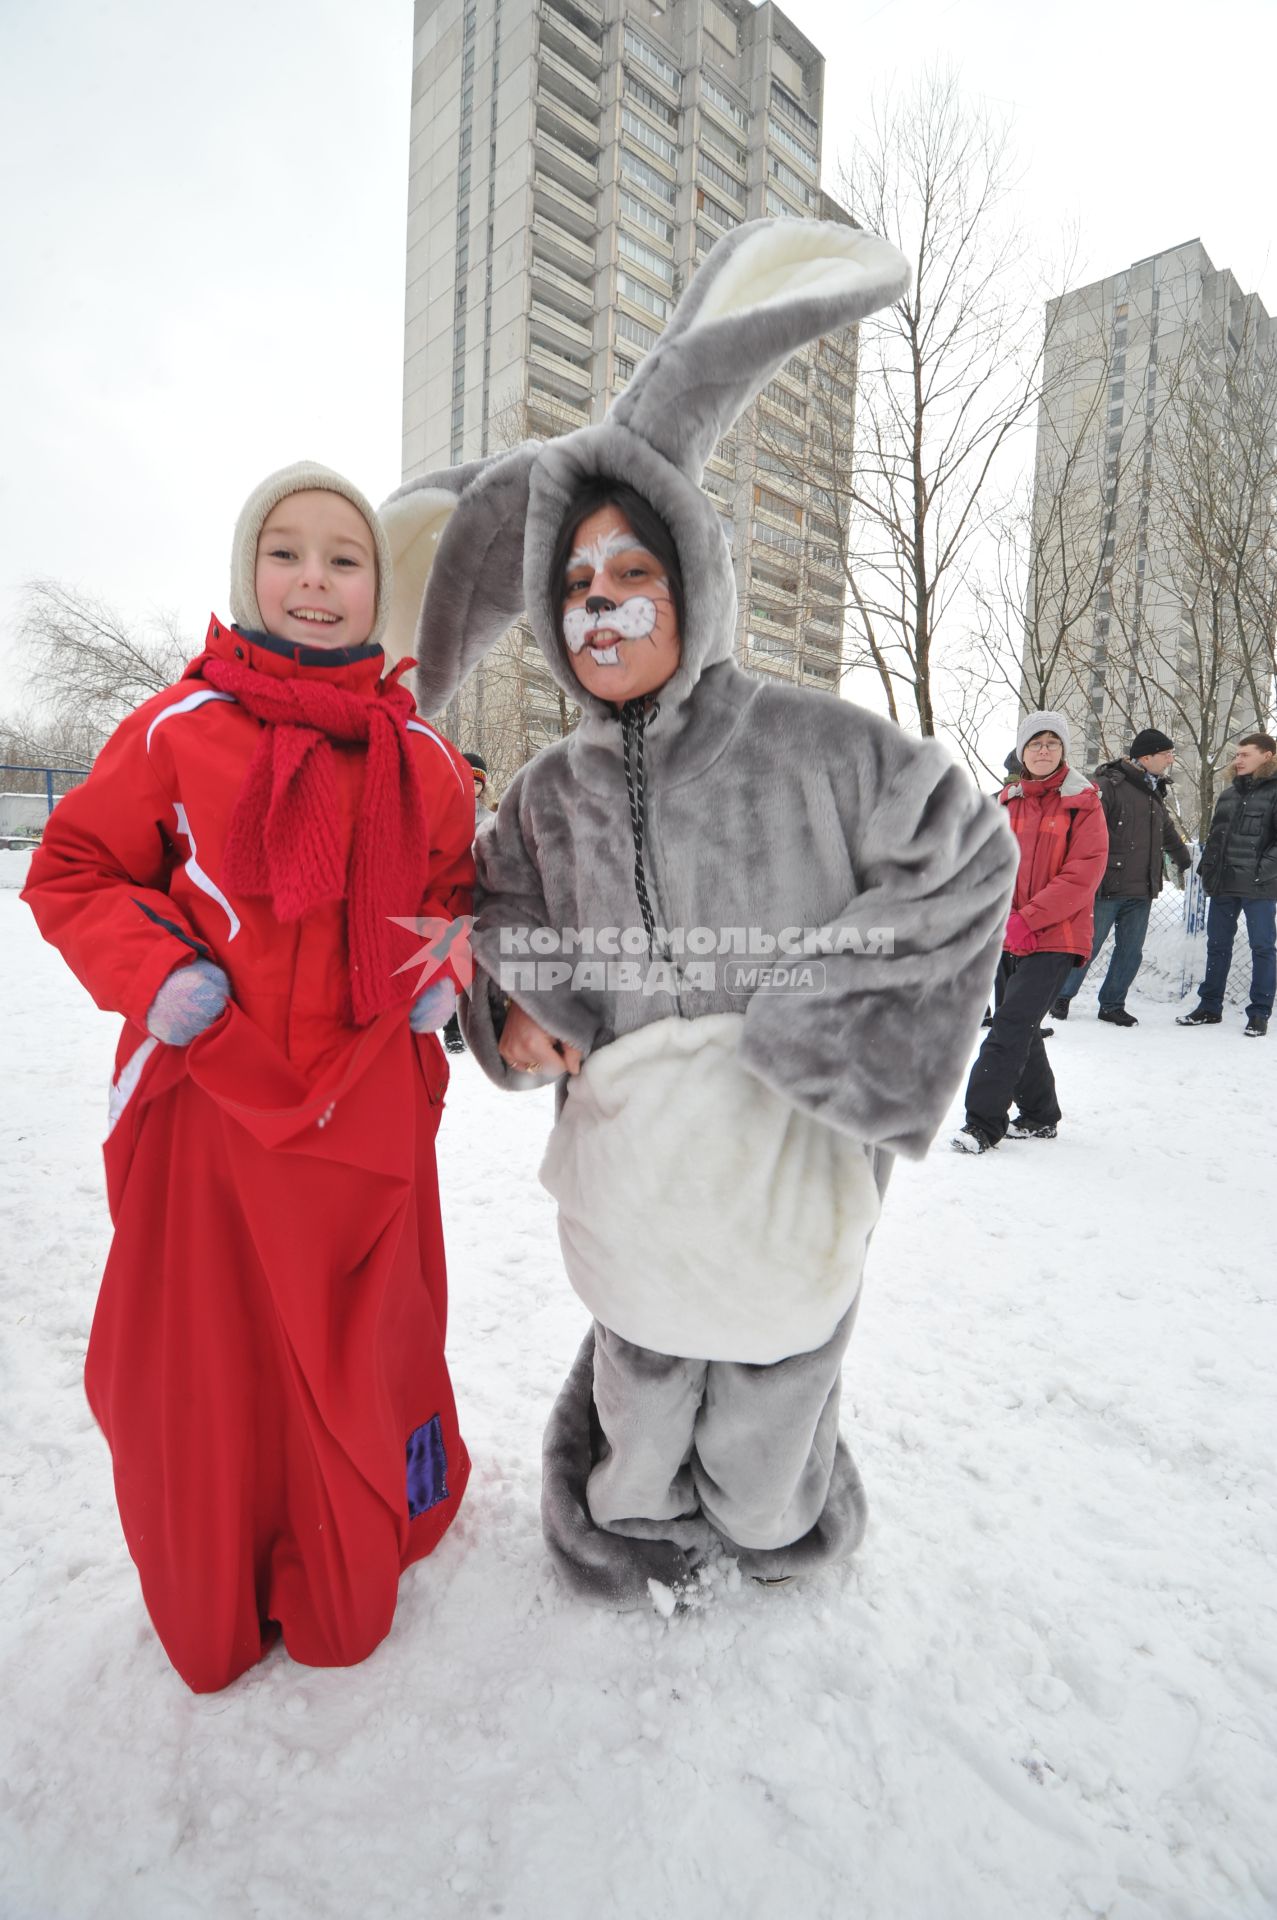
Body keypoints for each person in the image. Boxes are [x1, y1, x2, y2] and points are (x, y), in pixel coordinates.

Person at [382, 218, 1017, 1606]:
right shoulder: (544, 788)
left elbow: (966, 857)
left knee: (767, 1424)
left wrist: (828, 1033)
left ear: (693, 582)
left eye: (632, 580)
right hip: (640, 1178)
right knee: (646, 1392)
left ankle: (776, 1511)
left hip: (783, 1161)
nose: (601, 612)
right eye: (574, 591)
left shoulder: (818, 746)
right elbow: (494, 911)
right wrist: (525, 1005)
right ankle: (621, 1517)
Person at [22, 463, 476, 1692]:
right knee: (213, 1363)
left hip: (369, 1110)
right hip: (215, 1108)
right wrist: (161, 975)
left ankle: (353, 1551)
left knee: (361, 1345)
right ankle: (226, 1577)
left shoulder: (424, 756)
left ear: (378, 590)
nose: (316, 581)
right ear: (245, 574)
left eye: (345, 559)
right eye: (288, 553)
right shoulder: (176, 728)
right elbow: (72, 871)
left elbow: (445, 895)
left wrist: (438, 969)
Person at [953, 711, 1107, 1153]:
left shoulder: (1084, 804)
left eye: (1052, 744)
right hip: (1007, 934)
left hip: (1057, 936)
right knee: (1018, 1024)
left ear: (1063, 751)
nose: (1044, 751)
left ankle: (982, 1124)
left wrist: (1028, 919)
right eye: (1036, 744)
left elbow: (1082, 875)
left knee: (1009, 1026)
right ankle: (1040, 1115)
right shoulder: (1005, 802)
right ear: (1022, 752)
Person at [1053, 728, 1191, 1026]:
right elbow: (1082, 830)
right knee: (1086, 947)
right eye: (1165, 754)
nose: (1170, 759)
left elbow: (1166, 830)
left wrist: (1184, 859)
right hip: (1105, 885)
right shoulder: (1108, 785)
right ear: (1146, 756)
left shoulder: (1153, 790)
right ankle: (1061, 997)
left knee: (1131, 952)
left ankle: (1112, 1004)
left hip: (1141, 887)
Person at [1177, 731, 1277, 1037]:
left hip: (1259, 886)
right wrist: (1208, 870)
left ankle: (1259, 1013)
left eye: (1245, 754)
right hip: (1223, 884)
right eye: (1237, 754)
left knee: (1262, 947)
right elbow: (1216, 838)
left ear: (1268, 756)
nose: (1238, 759)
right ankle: (1209, 1006)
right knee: (1217, 945)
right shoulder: (1229, 793)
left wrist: (1262, 871)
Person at [442, 751, 494, 1054]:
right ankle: (451, 1026)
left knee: (479, 965)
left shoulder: (490, 820)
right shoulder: (446, 812)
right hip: (450, 898)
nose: (471, 786)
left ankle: (481, 1024)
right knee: (451, 961)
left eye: (477, 781)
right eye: (467, 777)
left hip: (479, 898)